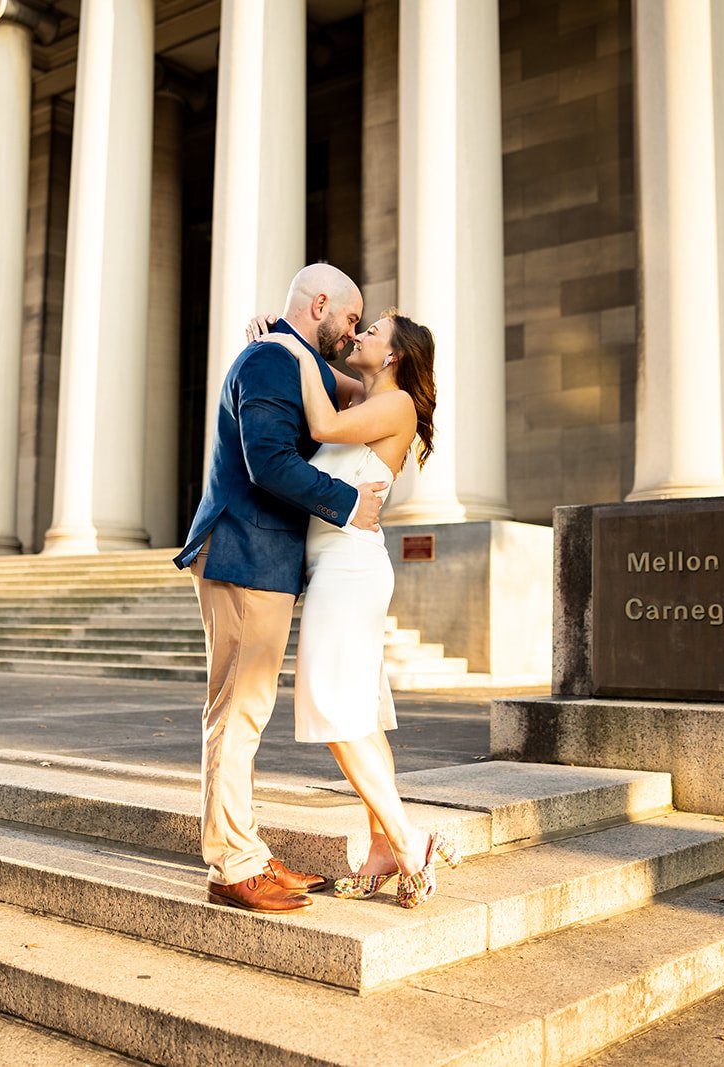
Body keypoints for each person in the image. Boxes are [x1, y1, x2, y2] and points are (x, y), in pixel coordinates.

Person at [173, 263, 388, 914]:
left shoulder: (289, 357)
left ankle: (248, 850)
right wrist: (349, 504)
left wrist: (293, 339)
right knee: (237, 712)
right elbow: (268, 462)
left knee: (245, 710)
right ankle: (233, 865)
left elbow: (357, 389)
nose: (351, 333)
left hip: (259, 556)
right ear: (319, 302)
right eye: (349, 319)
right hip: (243, 551)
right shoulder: (269, 362)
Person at [247, 307, 459, 909]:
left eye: (372, 331)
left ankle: (407, 839)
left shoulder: (394, 406)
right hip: (339, 569)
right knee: (359, 712)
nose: (359, 335)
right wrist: (283, 335)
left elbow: (316, 414)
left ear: (392, 355)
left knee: (336, 712)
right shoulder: (364, 395)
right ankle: (382, 849)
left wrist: (285, 349)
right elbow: (322, 376)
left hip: (349, 570)